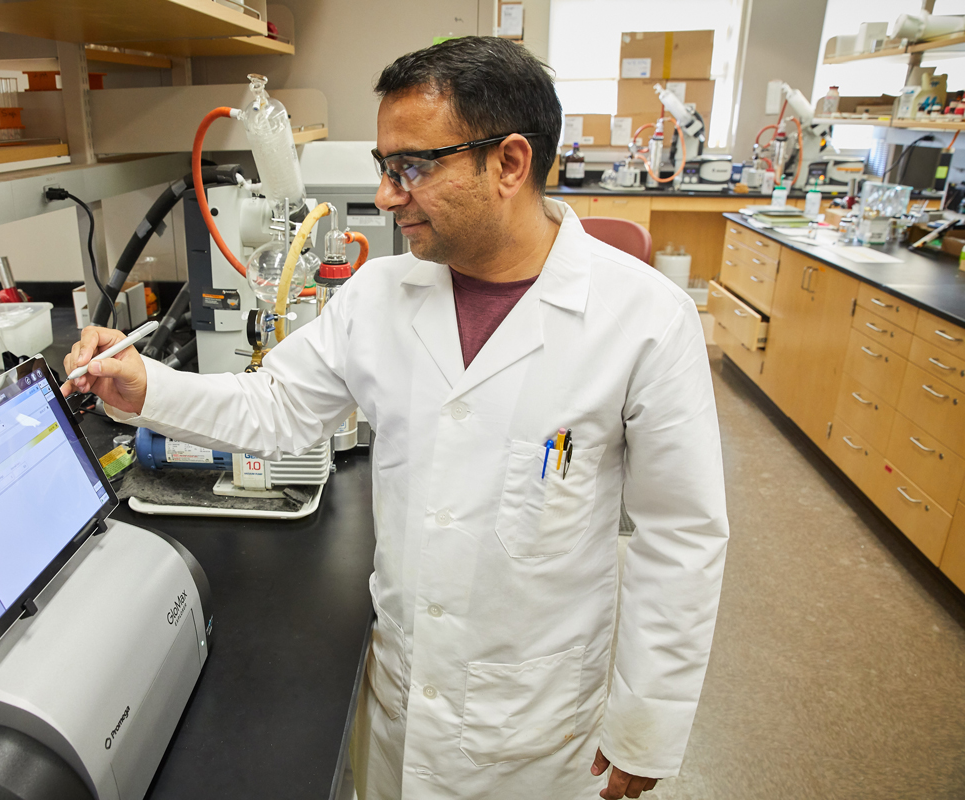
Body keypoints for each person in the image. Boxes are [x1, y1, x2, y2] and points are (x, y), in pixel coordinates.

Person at [64, 36, 727, 800]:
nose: (385, 195)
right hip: (402, 701)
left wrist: (647, 723)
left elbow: (681, 539)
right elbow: (277, 406)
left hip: (535, 731)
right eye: (386, 168)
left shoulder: (644, 319)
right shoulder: (381, 295)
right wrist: (146, 386)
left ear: (510, 163)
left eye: (411, 168)